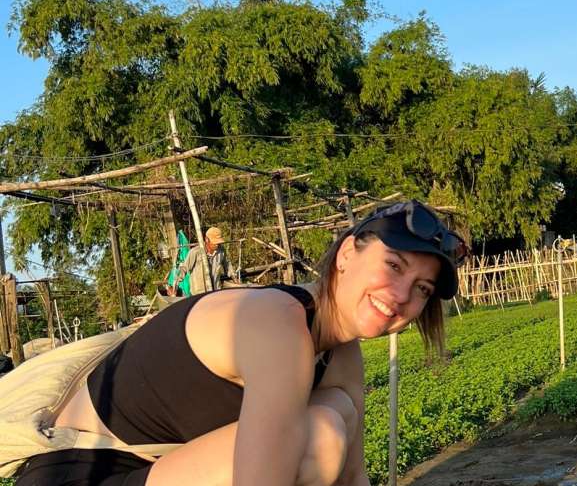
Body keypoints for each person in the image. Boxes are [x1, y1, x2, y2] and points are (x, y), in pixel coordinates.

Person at [16, 200, 466, 486]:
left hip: (156, 473)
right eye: (393, 265)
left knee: (338, 417)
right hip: (82, 472)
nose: (403, 296)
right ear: (347, 254)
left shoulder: (339, 350)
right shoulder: (277, 321)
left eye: (423, 288)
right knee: (321, 436)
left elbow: (352, 477)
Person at [172, 226, 237, 295]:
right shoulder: (195, 252)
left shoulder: (221, 251)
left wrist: (234, 278)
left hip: (215, 291)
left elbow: (227, 264)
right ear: (207, 240)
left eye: (218, 242)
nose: (217, 245)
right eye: (215, 242)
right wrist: (174, 286)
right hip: (199, 294)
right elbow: (184, 268)